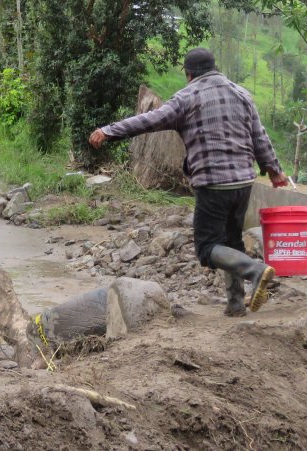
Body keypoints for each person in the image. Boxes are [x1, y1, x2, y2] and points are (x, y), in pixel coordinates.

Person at [88, 47, 290, 316]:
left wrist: (108, 131)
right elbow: (260, 137)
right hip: (243, 182)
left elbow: (147, 121)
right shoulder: (242, 94)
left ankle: (255, 270)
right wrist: (274, 171)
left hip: (212, 183)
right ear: (214, 68)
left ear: (189, 74)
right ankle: (236, 305)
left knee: (207, 248)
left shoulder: (186, 97)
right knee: (231, 242)